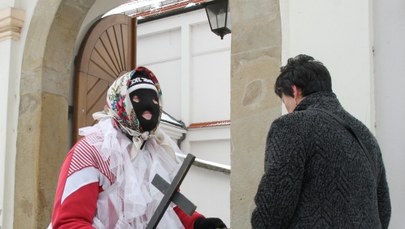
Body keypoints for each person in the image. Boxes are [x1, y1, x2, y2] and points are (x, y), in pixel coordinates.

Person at [50, 66, 227, 229]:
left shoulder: (156, 151)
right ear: (121, 101)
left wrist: (198, 222)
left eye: (154, 99)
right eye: (137, 98)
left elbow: (170, 203)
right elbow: (68, 222)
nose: (149, 105)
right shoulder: (93, 150)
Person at [251, 54, 391, 229]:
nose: (286, 108)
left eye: (284, 100)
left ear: (294, 91)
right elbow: (383, 208)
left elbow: (274, 203)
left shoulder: (291, 125)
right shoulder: (364, 134)